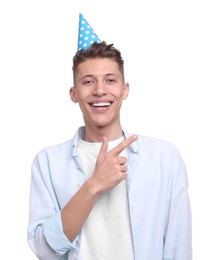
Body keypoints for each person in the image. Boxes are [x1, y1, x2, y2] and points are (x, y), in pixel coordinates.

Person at [27, 40, 192, 260]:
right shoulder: (47, 162)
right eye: (88, 82)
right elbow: (45, 250)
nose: (100, 90)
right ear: (73, 93)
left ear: (125, 90)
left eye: (110, 80)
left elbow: (177, 247)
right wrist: (94, 185)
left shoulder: (165, 158)